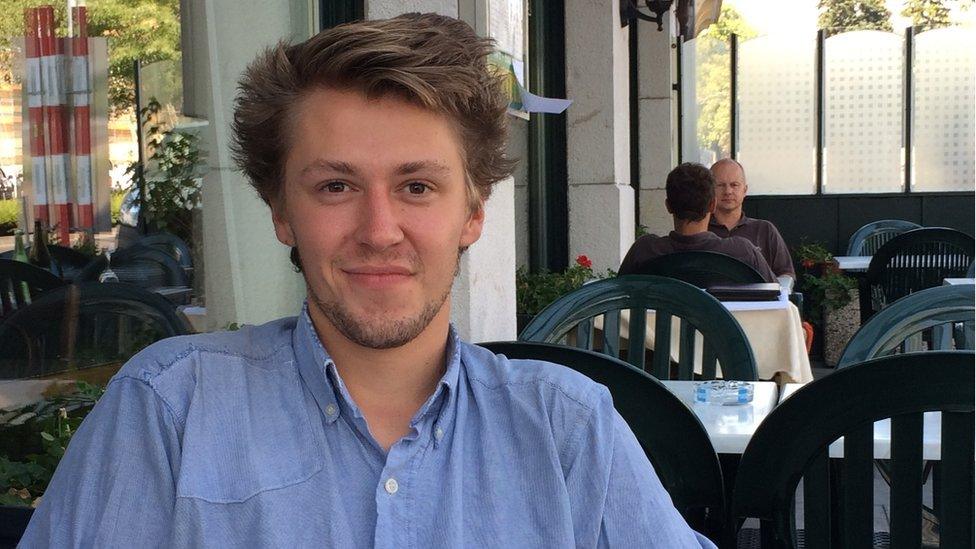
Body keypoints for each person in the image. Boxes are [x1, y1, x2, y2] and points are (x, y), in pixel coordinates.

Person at [20, 14, 715, 548]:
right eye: (335, 185)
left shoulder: (567, 428)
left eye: (416, 185)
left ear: (472, 214)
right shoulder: (170, 410)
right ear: (282, 213)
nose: (379, 228)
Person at [619, 162, 777, 282]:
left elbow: (615, 303)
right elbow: (778, 301)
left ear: (668, 206)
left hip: (655, 326)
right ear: (713, 205)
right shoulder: (743, 252)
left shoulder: (644, 251)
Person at [708, 158, 795, 288]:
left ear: (745, 190)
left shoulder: (765, 230)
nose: (728, 191)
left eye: (734, 185)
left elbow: (786, 274)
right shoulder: (701, 231)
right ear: (710, 190)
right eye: (720, 185)